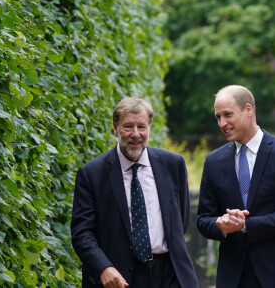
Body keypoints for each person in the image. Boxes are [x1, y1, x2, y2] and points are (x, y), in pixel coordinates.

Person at [71, 96, 198, 288]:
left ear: (149, 128)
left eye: (142, 127)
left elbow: (181, 220)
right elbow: (82, 233)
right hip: (119, 278)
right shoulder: (92, 174)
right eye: (128, 126)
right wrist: (103, 268)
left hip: (170, 275)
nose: (135, 134)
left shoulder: (174, 165)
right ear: (115, 128)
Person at [197, 85, 275, 288]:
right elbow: (203, 219)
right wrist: (220, 223)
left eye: (227, 114)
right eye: (218, 117)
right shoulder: (214, 161)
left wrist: (245, 226)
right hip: (232, 277)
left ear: (248, 110)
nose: (222, 123)